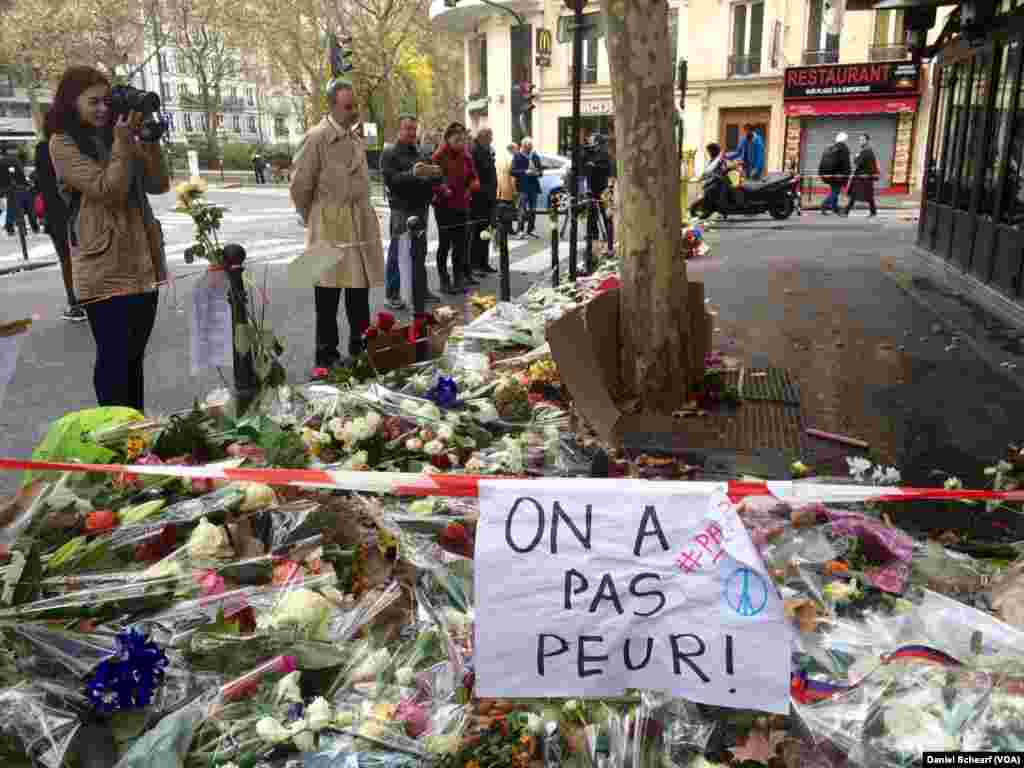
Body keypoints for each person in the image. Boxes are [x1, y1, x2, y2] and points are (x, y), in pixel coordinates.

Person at [47, 66, 170, 411]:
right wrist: (122, 143)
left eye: (107, 101)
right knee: (115, 361)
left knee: (133, 360)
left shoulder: (118, 135)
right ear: (72, 103)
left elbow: (158, 184)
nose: (103, 109)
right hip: (104, 269)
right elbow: (108, 189)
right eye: (93, 102)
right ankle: (114, 436)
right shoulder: (63, 143)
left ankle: (136, 432)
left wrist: (148, 141)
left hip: (142, 262)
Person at [290, 79, 385, 371]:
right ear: (331, 105)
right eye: (348, 106)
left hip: (359, 225)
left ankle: (360, 350)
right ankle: (326, 357)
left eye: (355, 105)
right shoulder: (316, 137)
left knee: (359, 295)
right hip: (327, 226)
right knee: (327, 298)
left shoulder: (356, 139)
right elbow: (299, 186)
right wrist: (316, 218)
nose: (355, 111)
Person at [380, 113, 444, 319]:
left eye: (414, 129)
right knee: (399, 252)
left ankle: (420, 290)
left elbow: (435, 178)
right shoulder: (390, 153)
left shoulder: (421, 151)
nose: (411, 132)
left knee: (420, 251)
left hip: (421, 208)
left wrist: (435, 174)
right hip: (401, 209)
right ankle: (392, 293)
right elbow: (392, 181)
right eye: (407, 128)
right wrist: (413, 174)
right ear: (399, 130)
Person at [35, 138, 84, 321]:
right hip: (81, 209)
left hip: (58, 213)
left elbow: (44, 184)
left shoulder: (44, 147)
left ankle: (75, 304)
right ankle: (95, 299)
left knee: (66, 258)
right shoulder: (79, 139)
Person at [431, 122, 480, 295]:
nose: (461, 143)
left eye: (463, 140)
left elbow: (473, 175)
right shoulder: (439, 156)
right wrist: (443, 189)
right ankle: (444, 280)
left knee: (460, 244)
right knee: (445, 243)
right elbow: (433, 180)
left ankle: (458, 278)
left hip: (462, 204)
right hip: (444, 206)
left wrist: (473, 184)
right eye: (457, 140)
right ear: (448, 139)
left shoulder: (466, 155)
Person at [470, 127, 498, 275]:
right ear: (482, 137)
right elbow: (476, 174)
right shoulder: (475, 151)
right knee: (478, 232)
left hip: (488, 197)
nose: (491, 140)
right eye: (489, 137)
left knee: (487, 230)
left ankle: (484, 262)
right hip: (479, 198)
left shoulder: (486, 150)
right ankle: (475, 264)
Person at [0, 147, 39, 236]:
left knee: (12, 208)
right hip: (22, 187)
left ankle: (11, 228)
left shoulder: (3, 161)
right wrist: (27, 184)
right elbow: (21, 174)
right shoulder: (15, 160)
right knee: (29, 208)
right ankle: (34, 227)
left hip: (10, 188)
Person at [583, 133, 613, 241]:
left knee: (605, 213)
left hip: (602, 188)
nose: (589, 142)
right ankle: (592, 235)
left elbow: (607, 169)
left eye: (591, 140)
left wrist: (594, 166)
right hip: (591, 187)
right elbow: (582, 163)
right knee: (591, 214)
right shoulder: (589, 153)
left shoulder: (604, 154)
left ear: (597, 142)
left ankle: (609, 236)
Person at [511, 137, 542, 238]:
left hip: (534, 186)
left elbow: (541, 171)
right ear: (523, 146)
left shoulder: (535, 156)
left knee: (533, 209)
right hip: (522, 187)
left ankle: (531, 229)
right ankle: (520, 230)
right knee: (522, 210)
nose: (529, 149)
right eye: (527, 147)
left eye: (530, 147)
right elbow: (512, 171)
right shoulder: (517, 156)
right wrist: (525, 172)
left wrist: (537, 173)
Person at [844, 133, 879, 218]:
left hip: (863, 177)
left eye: (862, 140)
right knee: (865, 195)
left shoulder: (866, 151)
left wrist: (856, 157)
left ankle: (846, 212)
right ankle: (873, 212)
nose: (860, 141)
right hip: (864, 177)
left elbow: (858, 163)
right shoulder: (866, 150)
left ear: (867, 141)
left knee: (857, 195)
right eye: (860, 140)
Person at [819, 132, 852, 215]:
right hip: (839, 175)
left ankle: (835, 208)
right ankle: (824, 205)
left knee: (834, 191)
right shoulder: (844, 149)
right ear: (844, 140)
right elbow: (845, 164)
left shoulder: (832, 147)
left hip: (830, 174)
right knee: (835, 192)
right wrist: (847, 174)